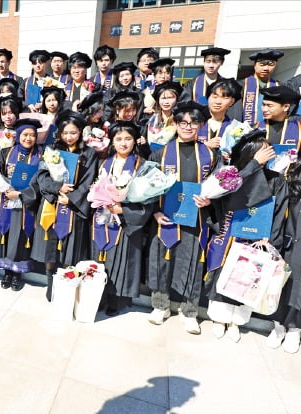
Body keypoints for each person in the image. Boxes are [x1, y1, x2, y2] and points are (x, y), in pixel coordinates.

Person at [146, 101, 221, 334]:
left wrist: (210, 199)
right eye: (183, 122)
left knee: (192, 263)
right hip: (165, 218)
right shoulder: (160, 152)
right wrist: (154, 211)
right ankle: (160, 306)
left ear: (201, 124)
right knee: (162, 260)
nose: (188, 127)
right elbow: (147, 186)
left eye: (194, 122)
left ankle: (189, 312)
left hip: (196, 218)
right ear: (175, 123)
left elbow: (220, 185)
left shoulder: (211, 155)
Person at [203, 130, 286, 342]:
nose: (267, 154)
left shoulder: (276, 179)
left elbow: (279, 212)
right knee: (225, 275)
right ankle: (220, 319)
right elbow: (217, 201)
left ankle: (236, 321)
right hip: (230, 232)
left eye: (268, 150)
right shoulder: (232, 174)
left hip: (257, 239)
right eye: (261, 151)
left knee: (248, 278)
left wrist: (269, 238)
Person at [31, 111, 98, 300]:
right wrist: (58, 188)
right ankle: (51, 283)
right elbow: (42, 177)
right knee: (50, 248)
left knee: (70, 249)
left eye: (73, 132)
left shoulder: (89, 153)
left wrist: (72, 198)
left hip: (73, 208)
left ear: (81, 132)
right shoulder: (51, 150)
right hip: (52, 204)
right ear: (59, 133)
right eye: (65, 133)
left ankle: (68, 286)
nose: (69, 137)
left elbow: (88, 182)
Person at [93, 122, 152, 315]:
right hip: (103, 216)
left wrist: (123, 209)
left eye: (128, 139)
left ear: (135, 141)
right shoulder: (104, 162)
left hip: (126, 219)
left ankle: (116, 299)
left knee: (122, 259)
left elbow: (148, 196)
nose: (123, 143)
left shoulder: (142, 165)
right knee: (102, 257)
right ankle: (98, 296)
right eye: (118, 139)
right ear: (112, 141)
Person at [0, 118, 42, 291]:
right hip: (6, 201)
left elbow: (41, 181)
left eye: (32, 135)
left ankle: (17, 273)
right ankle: (6, 272)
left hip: (25, 202)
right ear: (18, 136)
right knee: (6, 232)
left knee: (20, 235)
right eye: (25, 134)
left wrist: (19, 193)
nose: (28, 138)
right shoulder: (6, 152)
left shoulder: (40, 155)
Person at [272, 162, 301, 353]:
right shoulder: (291, 172)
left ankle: (294, 329)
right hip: (289, 237)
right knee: (282, 282)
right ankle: (278, 326)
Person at [237, 48, 285, 125]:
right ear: (254, 65)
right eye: (262, 65)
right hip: (245, 129)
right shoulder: (241, 85)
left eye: (271, 65)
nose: (266, 68)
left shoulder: (279, 87)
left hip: (269, 129)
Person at [138, 81, 183, 158]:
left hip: (171, 159)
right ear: (158, 100)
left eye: (170, 98)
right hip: (149, 158)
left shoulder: (180, 120)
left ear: (177, 99)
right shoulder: (149, 119)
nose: (166, 102)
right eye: (163, 98)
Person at [197, 78, 241, 151]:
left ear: (232, 102)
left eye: (224, 98)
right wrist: (205, 146)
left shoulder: (233, 128)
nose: (218, 102)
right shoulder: (194, 121)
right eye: (215, 97)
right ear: (208, 98)